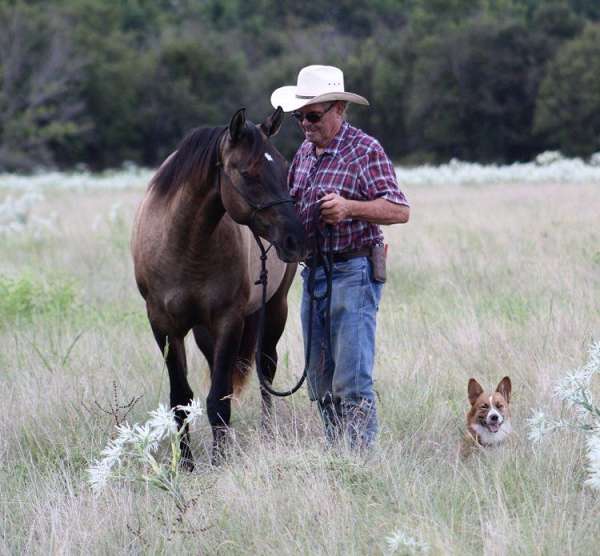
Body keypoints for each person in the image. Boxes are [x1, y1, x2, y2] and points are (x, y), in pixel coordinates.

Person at [270, 65, 410, 450]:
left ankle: (360, 461)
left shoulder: (365, 149)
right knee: (318, 381)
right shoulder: (303, 154)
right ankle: (338, 454)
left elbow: (399, 210)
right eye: (300, 116)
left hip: (354, 271)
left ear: (338, 110)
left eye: (313, 115)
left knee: (351, 379)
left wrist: (350, 207)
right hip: (314, 274)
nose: (305, 124)